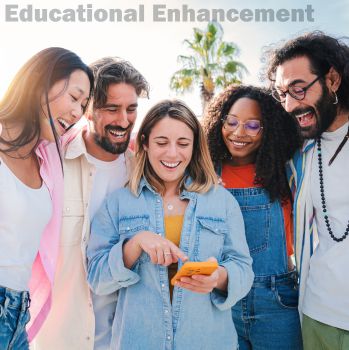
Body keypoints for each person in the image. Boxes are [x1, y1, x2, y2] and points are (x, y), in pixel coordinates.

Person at [87, 99, 254, 350]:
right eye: (161, 143)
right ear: (144, 142)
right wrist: (135, 244)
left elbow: (243, 268)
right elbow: (97, 279)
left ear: (195, 146)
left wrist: (219, 277)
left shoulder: (222, 201)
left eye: (183, 143)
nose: (173, 154)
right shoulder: (119, 203)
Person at [31, 57, 149, 350]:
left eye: (131, 109)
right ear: (89, 110)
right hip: (59, 338)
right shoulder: (50, 160)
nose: (123, 120)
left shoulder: (144, 175)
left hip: (125, 338)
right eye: (112, 109)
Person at [0, 47, 93, 349]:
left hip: (17, 314)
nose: (78, 112)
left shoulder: (47, 159)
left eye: (84, 104)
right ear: (42, 82)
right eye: (74, 97)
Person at [266, 31, 349, 349]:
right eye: (282, 93)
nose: (289, 104)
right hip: (318, 317)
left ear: (333, 80)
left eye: (298, 89)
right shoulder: (296, 156)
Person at [203, 84, 302, 349]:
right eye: (231, 122)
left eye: (252, 126)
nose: (238, 133)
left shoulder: (285, 171)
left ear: (267, 130)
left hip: (277, 302)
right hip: (221, 301)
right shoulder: (207, 175)